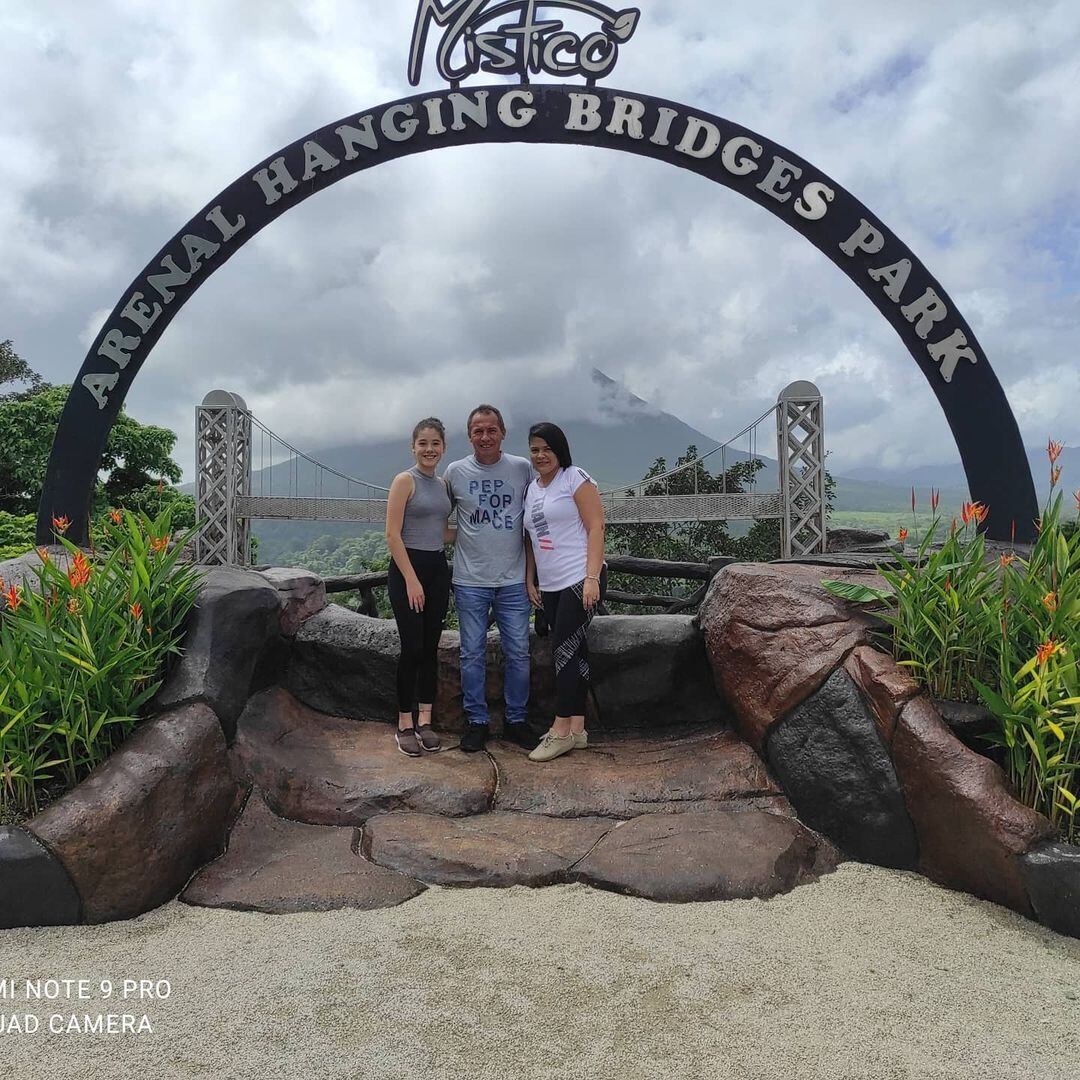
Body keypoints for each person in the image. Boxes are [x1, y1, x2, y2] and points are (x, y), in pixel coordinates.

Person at [444, 404, 540, 753]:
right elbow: (437, 516)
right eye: (478, 431)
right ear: (469, 435)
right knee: (471, 653)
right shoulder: (454, 472)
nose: (485, 437)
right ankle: (476, 721)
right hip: (470, 580)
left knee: (519, 652)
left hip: (513, 579)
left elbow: (536, 520)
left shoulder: (521, 468)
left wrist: (533, 577)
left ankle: (516, 720)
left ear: (502, 433)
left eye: (491, 430)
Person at [522, 422, 606, 762]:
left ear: (560, 450)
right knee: (576, 651)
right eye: (535, 449)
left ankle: (559, 731)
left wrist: (592, 577)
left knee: (564, 652)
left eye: (547, 448)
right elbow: (530, 539)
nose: (541, 455)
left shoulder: (575, 478)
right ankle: (577, 729)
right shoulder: (532, 489)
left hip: (578, 579)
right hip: (551, 585)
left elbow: (596, 526)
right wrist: (531, 579)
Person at [385, 418, 454, 756]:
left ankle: (425, 720)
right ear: (413, 447)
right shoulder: (404, 481)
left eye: (435, 444)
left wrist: (485, 532)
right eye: (423, 443)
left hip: (437, 568)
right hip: (407, 570)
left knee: (430, 648)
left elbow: (441, 533)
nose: (429, 449)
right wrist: (411, 579)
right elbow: (392, 534)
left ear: (443, 448)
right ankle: (404, 723)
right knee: (412, 647)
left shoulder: (442, 485)